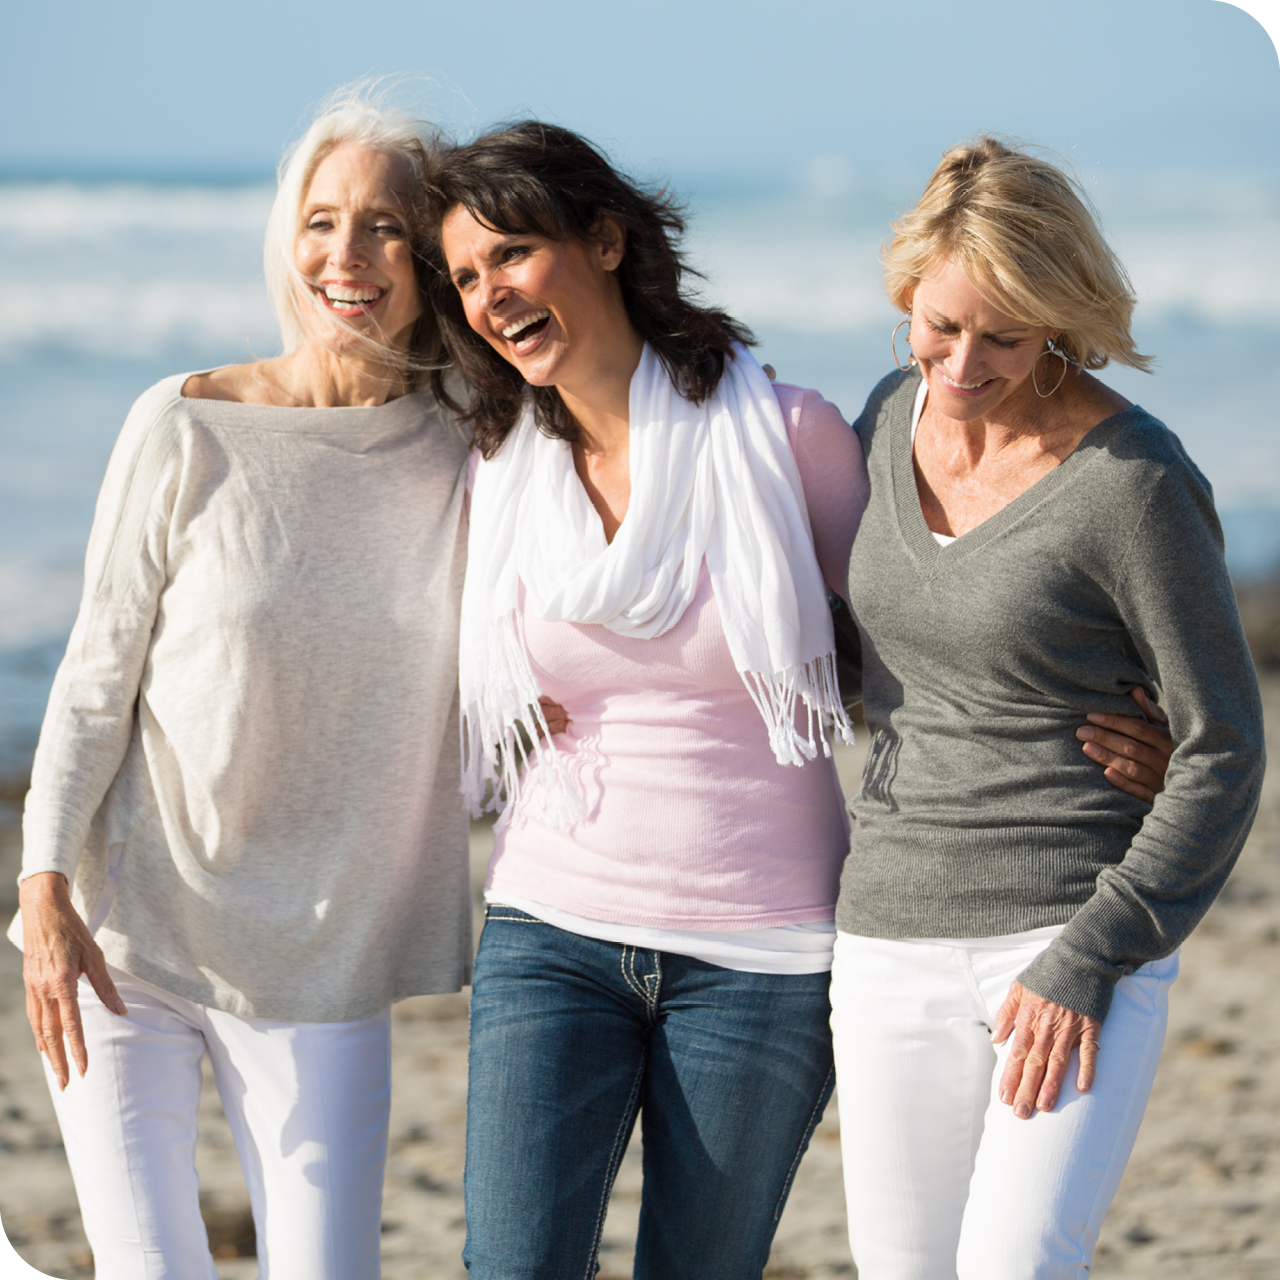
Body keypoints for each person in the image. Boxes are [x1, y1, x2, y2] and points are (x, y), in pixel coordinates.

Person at [422, 122, 1174, 1280]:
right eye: (466, 275)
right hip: (548, 927)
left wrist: (1125, 727)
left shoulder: (785, 439)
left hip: (760, 954)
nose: (489, 293)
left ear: (608, 240)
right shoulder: (498, 469)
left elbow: (927, 630)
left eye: (512, 253)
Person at [11, 93, 470, 1279]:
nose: (346, 255)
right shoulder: (182, 423)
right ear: (286, 237)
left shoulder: (471, 446)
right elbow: (95, 675)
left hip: (324, 955)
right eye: (322, 221)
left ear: (428, 260)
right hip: (130, 934)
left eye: (383, 227)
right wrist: (45, 885)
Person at [829, 136, 1267, 1280]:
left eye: (1005, 335)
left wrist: (1093, 955)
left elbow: (1221, 746)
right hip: (885, 932)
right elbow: (857, 649)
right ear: (903, 297)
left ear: (1059, 321)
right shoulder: (881, 418)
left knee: (1018, 1263)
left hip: (1065, 929)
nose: (962, 362)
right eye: (937, 324)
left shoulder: (1133, 483)